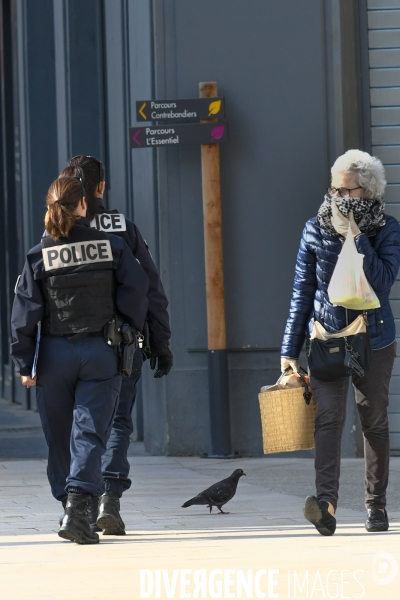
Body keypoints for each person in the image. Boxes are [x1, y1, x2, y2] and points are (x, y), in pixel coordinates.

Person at [10, 176, 149, 544]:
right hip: (100, 351)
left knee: (58, 436)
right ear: (84, 205)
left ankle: (70, 505)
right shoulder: (113, 246)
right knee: (89, 432)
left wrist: (25, 364)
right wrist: (127, 328)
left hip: (54, 355)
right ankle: (78, 505)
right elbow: (138, 293)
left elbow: (24, 314)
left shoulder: (39, 253)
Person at [281, 150, 400, 536]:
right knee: (327, 422)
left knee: (374, 421)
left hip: (374, 340)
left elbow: (382, 282)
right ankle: (326, 506)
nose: (336, 196)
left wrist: (357, 237)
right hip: (327, 339)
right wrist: (288, 350)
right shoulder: (314, 228)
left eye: (344, 190)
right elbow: (302, 291)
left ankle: (376, 506)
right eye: (332, 188)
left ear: (366, 192)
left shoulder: (387, 229)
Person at [59, 155, 172, 535]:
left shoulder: (59, 230)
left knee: (81, 424)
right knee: (119, 421)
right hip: (122, 343)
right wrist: (161, 341)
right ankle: (109, 498)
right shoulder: (122, 227)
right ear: (101, 187)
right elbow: (151, 288)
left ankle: (80, 504)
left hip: (69, 347)